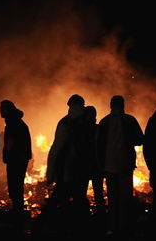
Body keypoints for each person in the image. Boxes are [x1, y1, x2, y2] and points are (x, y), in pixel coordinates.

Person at [97, 95, 144, 237]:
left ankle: (113, 227)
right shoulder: (130, 120)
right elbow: (140, 139)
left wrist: (101, 164)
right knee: (125, 198)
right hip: (125, 165)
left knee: (113, 198)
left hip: (110, 165)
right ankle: (124, 228)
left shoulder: (104, 122)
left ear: (110, 105)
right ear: (123, 105)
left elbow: (98, 146)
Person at [45, 94, 89, 234]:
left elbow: (56, 149)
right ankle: (79, 230)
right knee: (78, 200)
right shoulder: (87, 122)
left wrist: (51, 173)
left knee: (60, 200)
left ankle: (56, 228)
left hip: (67, 171)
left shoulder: (66, 123)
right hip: (81, 170)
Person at [0, 100, 32, 227]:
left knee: (15, 185)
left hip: (16, 160)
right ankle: (17, 211)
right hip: (19, 159)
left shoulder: (13, 123)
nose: (1, 110)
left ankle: (17, 214)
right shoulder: (17, 121)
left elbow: (11, 142)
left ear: (9, 109)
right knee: (16, 185)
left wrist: (7, 156)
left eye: (3, 108)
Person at [84, 105, 105, 216]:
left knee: (81, 195)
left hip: (88, 166)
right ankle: (100, 219)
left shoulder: (82, 130)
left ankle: (86, 218)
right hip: (96, 167)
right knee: (98, 195)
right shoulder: (99, 129)